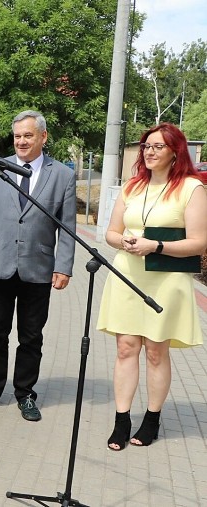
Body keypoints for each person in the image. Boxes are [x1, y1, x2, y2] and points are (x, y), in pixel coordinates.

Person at [97, 123, 207, 450]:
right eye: (147, 145)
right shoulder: (132, 186)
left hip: (167, 279)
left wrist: (155, 245)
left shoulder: (191, 188)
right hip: (129, 275)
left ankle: (152, 419)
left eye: (158, 146)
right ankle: (121, 420)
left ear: (176, 152)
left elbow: (200, 242)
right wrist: (127, 241)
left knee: (156, 352)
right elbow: (111, 233)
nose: (149, 151)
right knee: (125, 348)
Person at [0, 110, 76, 422]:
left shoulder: (63, 176)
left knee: (31, 336)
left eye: (28, 135)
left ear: (43, 137)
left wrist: (64, 266)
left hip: (39, 267)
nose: (22, 141)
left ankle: (25, 393)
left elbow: (67, 228)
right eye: (17, 136)